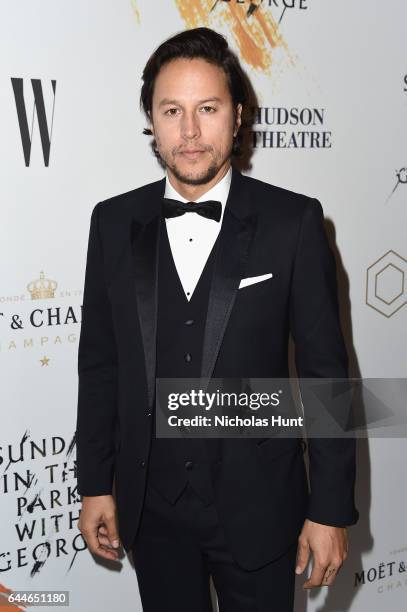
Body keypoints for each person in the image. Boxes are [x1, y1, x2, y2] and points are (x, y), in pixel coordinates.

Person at [76, 26, 359, 612]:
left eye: (207, 108)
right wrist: (97, 482)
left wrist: (329, 508)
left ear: (237, 117)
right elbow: (100, 365)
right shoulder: (112, 223)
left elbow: (327, 376)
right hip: (151, 509)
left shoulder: (294, 223)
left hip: (259, 508)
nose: (189, 131)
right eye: (171, 110)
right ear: (151, 122)